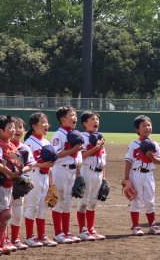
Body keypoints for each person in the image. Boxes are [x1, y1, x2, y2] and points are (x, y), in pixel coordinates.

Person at [0, 115, 31, 256]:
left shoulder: (12, 146)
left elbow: (18, 165)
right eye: (10, 127)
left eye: (14, 127)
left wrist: (19, 174)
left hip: (8, 185)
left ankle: (1, 243)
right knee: (3, 214)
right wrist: (11, 173)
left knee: (6, 214)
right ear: (0, 130)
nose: (13, 130)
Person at [124, 115, 160, 236]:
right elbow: (128, 162)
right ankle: (136, 226)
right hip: (136, 174)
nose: (147, 128)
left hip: (149, 175)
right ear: (137, 129)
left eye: (149, 125)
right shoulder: (133, 144)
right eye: (143, 126)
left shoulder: (155, 144)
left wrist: (152, 157)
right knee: (136, 200)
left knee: (150, 200)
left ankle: (152, 225)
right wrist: (126, 179)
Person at [23, 112, 56, 248]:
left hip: (45, 177)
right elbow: (25, 163)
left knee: (43, 206)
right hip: (33, 175)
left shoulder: (46, 142)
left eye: (46, 122)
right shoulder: (29, 142)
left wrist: (52, 183)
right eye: (43, 122)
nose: (46, 125)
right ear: (34, 126)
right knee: (32, 206)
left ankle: (42, 235)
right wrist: (42, 165)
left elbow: (51, 165)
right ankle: (30, 236)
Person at [50, 106, 83, 244]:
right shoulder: (59, 135)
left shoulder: (75, 133)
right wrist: (73, 150)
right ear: (63, 119)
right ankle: (58, 233)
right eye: (72, 115)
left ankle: (66, 231)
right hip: (61, 170)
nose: (75, 117)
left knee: (68, 203)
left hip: (72, 171)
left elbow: (78, 155)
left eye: (75, 115)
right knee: (59, 201)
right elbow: (55, 154)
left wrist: (79, 174)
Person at [77, 111, 107, 241]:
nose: (96, 121)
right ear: (85, 123)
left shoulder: (100, 136)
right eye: (92, 119)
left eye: (97, 119)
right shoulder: (82, 138)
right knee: (84, 201)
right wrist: (96, 148)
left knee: (93, 202)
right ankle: (82, 230)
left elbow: (103, 159)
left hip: (99, 172)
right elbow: (81, 156)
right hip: (87, 171)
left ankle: (91, 228)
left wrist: (104, 177)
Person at [8, 117, 37, 250]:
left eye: (20, 127)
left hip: (19, 182)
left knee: (18, 209)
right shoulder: (5, 146)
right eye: (14, 127)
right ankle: (4, 238)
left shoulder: (25, 148)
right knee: (5, 210)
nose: (17, 130)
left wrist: (20, 171)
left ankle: (15, 238)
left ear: (24, 130)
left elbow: (30, 165)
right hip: (6, 183)